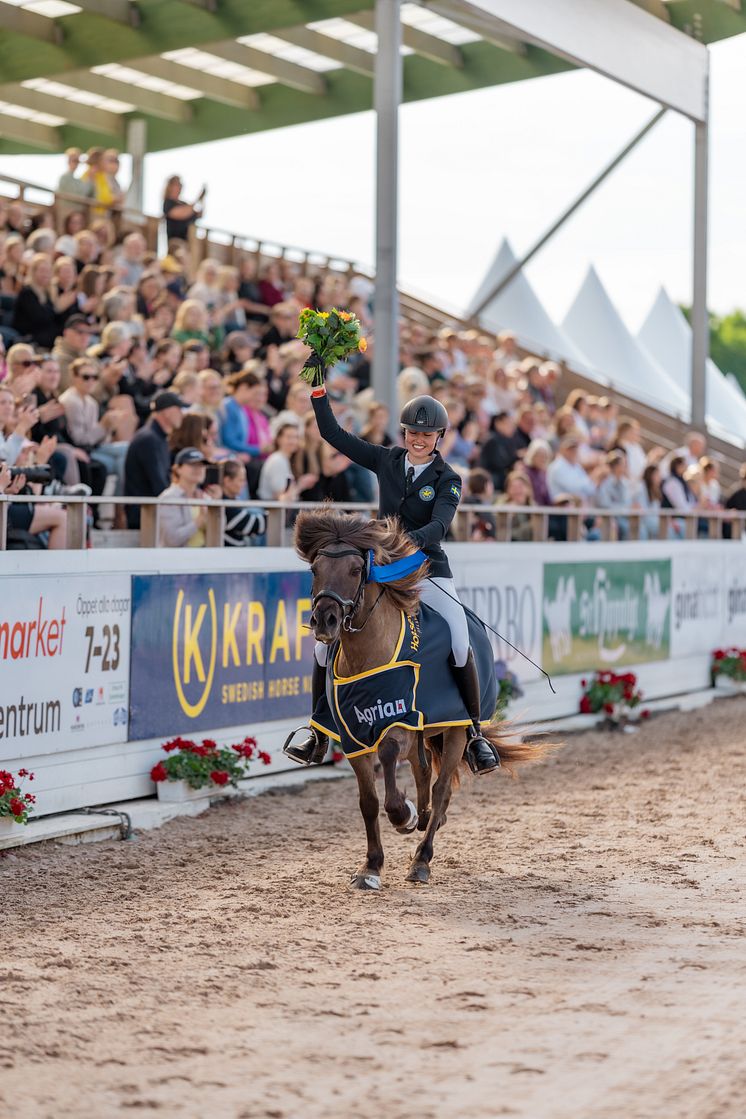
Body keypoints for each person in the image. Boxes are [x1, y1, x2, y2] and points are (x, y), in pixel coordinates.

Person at [286, 388, 500, 776]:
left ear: (439, 438)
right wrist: (318, 391)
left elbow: (438, 527)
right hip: (379, 569)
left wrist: (401, 541)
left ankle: (474, 731)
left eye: (427, 434)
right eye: (412, 433)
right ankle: (317, 731)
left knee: (458, 634)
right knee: (322, 648)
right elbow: (333, 435)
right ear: (404, 433)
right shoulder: (387, 459)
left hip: (427, 568)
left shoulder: (448, 479)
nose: (418, 440)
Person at [123, 390, 184, 528]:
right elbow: (160, 486)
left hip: (150, 514)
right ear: (167, 412)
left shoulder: (156, 437)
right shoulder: (149, 440)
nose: (182, 414)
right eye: (179, 409)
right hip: (145, 517)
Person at [158, 447, 220, 547]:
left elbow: (220, 533)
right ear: (178, 469)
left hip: (205, 559)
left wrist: (216, 504)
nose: (198, 469)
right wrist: (199, 521)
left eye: (202, 465)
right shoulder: (168, 498)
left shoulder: (206, 498)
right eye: (192, 464)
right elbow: (171, 540)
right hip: (178, 560)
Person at [221, 458, 266, 546]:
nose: (244, 484)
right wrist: (283, 502)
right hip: (228, 558)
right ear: (227, 481)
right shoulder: (225, 506)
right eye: (241, 480)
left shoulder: (231, 502)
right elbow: (257, 526)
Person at [162, 176, 205, 242]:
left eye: (180, 185)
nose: (180, 187)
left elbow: (199, 214)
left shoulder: (183, 203)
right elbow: (182, 213)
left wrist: (202, 199)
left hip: (188, 241)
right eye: (177, 185)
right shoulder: (168, 203)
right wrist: (198, 199)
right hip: (175, 242)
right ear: (170, 187)